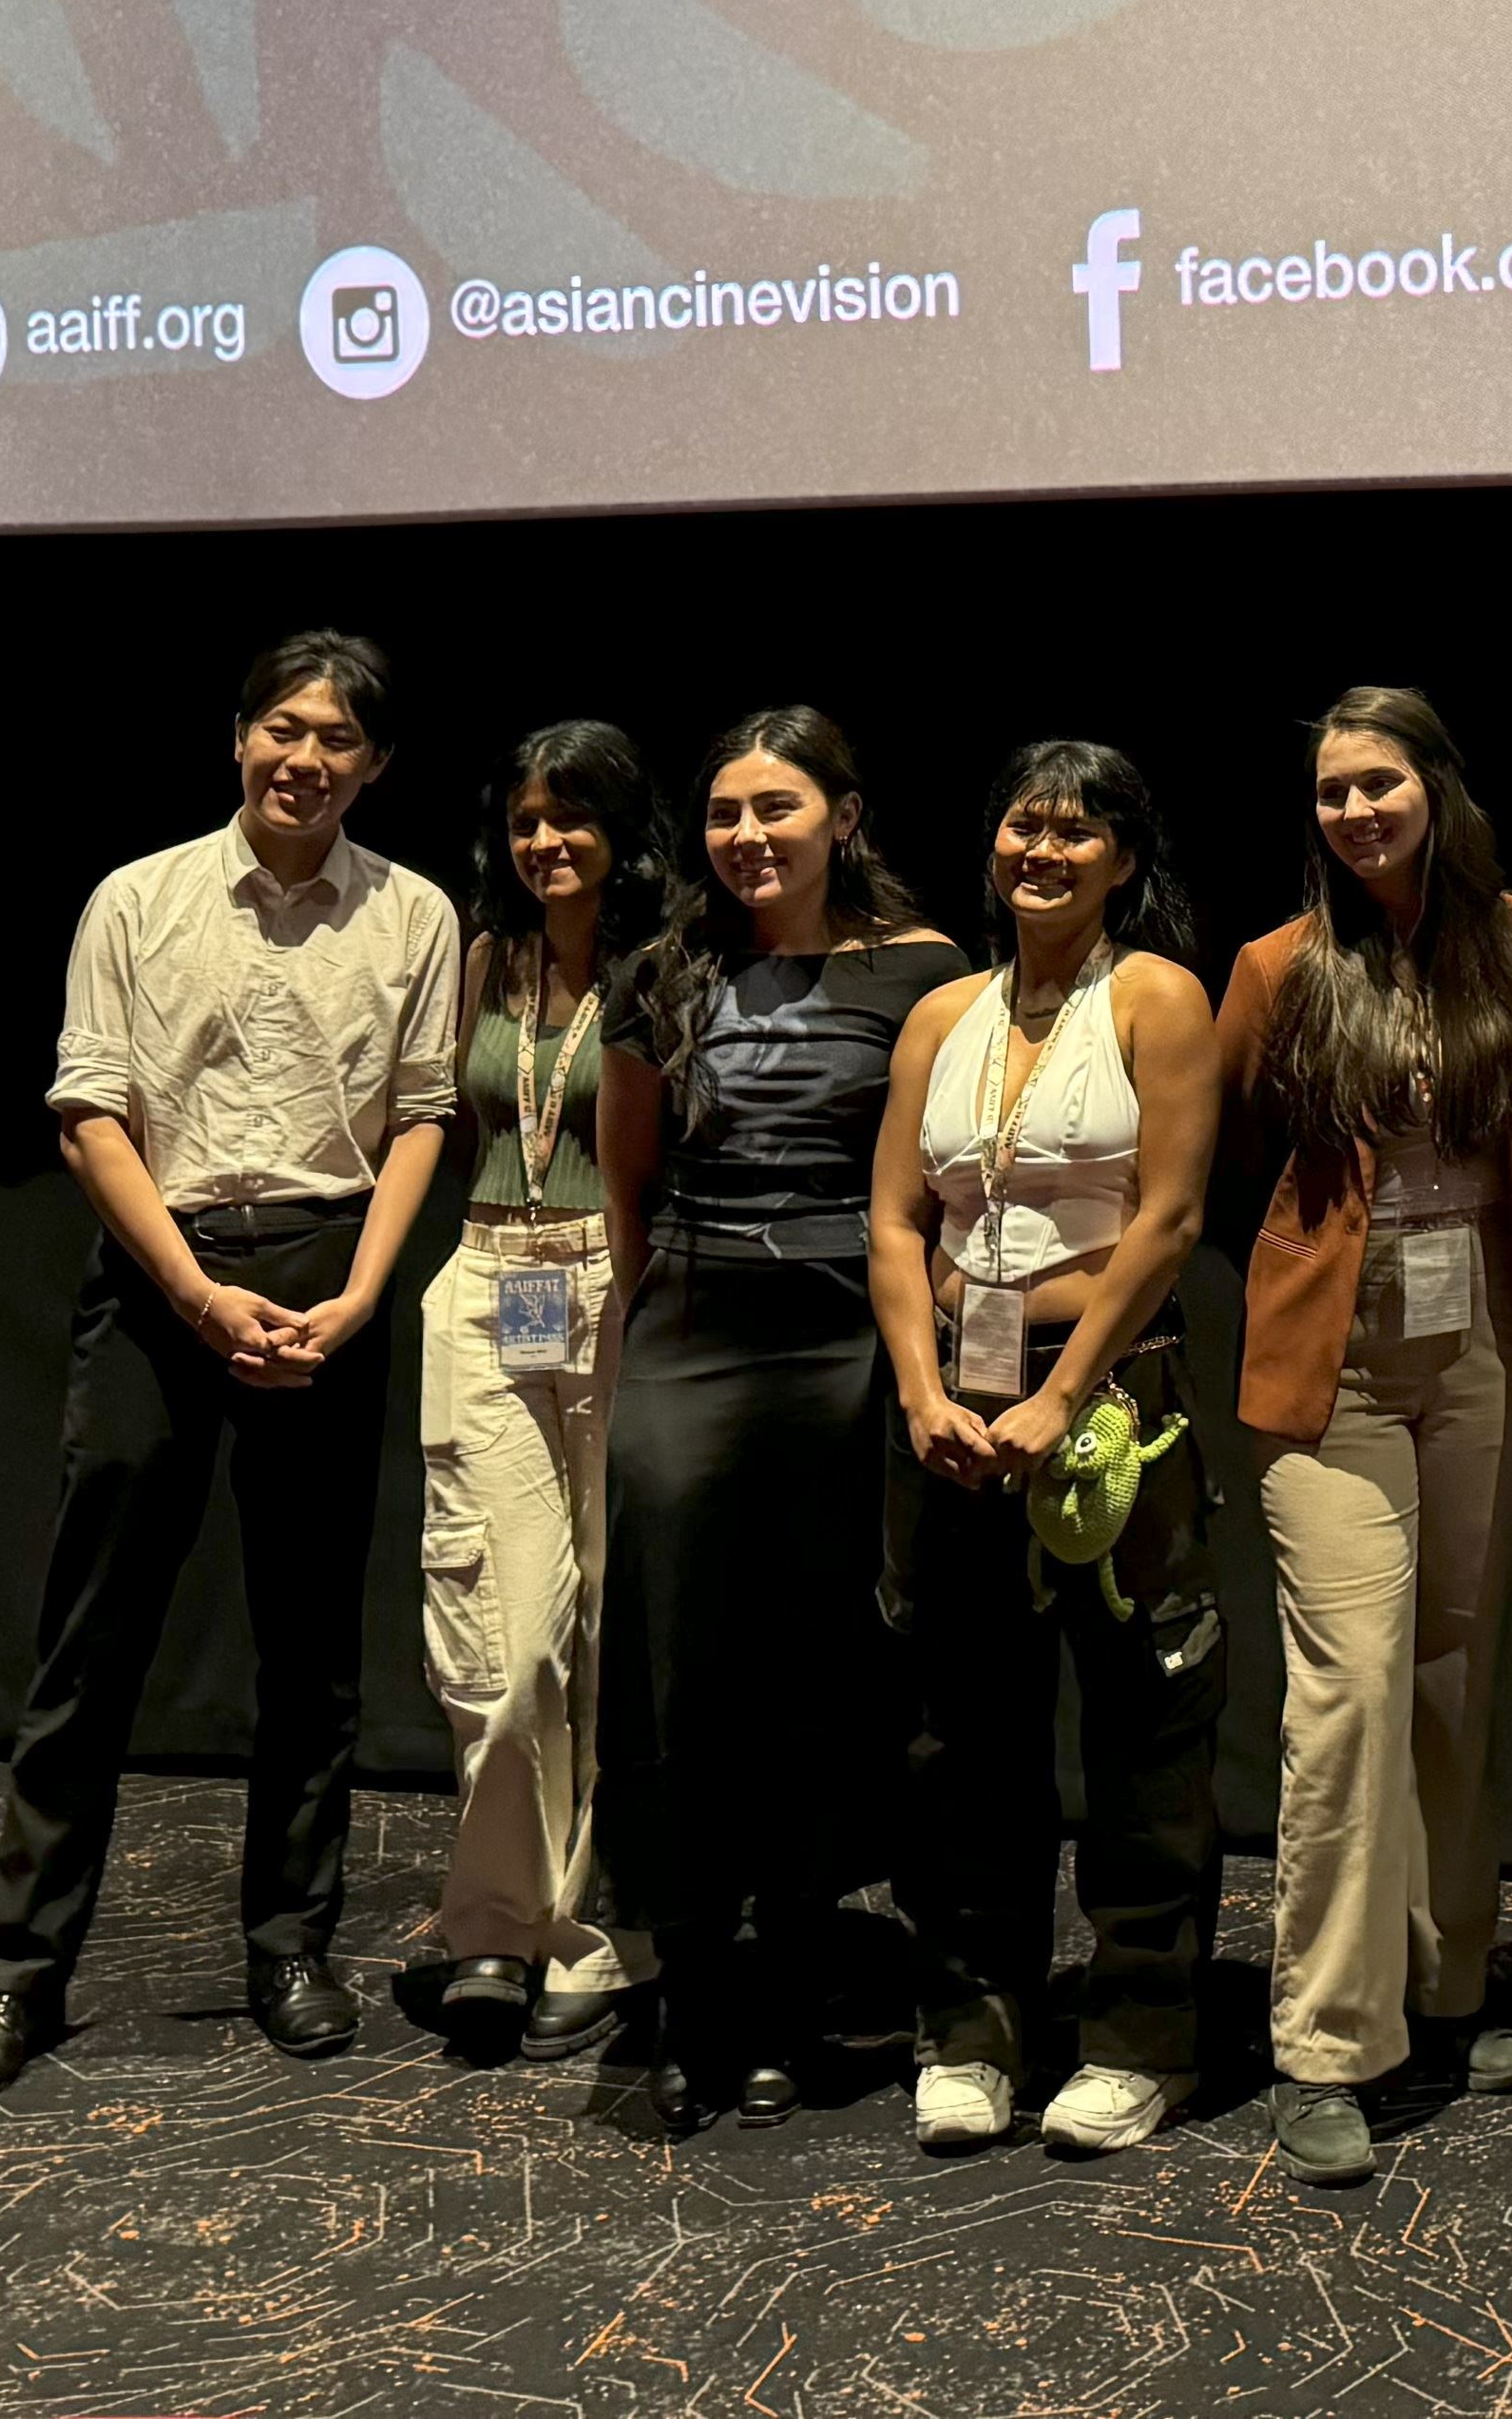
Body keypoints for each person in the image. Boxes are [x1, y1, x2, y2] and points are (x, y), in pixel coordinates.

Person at [0, 631, 462, 2115]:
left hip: (327, 1277)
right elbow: (91, 1116)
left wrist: (358, 1298)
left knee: (310, 1646)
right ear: (238, 740)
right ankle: (22, 1976)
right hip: (169, 1278)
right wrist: (196, 1293)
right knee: (90, 1645)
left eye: (339, 740)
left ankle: (290, 1947)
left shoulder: (415, 913)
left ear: (377, 766)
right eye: (284, 730)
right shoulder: (138, 898)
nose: (307, 760)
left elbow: (423, 1115)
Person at [1218, 685, 1512, 2184]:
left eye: (1380, 783)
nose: (1355, 811)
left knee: (1452, 1679)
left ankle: (1452, 1984)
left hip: (1485, 1344)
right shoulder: (1278, 967)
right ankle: (1326, 2039)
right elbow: (1224, 1141)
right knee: (1350, 1687)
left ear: (1436, 783)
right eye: (1331, 792)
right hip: (1337, 1364)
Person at [597, 709, 966, 2133]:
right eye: (726, 811)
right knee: (677, 1656)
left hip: (849, 1350)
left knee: (823, 1664)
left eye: (778, 807)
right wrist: (654, 1327)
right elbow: (628, 1179)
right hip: (692, 1332)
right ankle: (697, 1983)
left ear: (846, 818)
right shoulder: (661, 973)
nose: (748, 835)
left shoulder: (926, 975)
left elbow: (937, 1178)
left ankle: (799, 1976)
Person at [866, 740, 1224, 2159]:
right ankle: (973, 2025)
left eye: (1079, 834)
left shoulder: (1157, 999)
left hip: (1112, 1393)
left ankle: (1141, 2035)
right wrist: (919, 1393)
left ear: (1124, 861)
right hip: (952, 1401)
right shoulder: (940, 1010)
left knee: (1144, 1714)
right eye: (1026, 823)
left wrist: (1062, 1398)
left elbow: (1172, 1221)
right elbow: (898, 1218)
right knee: (962, 1728)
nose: (1045, 852)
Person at [417, 720, 665, 2066]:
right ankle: (498, 1927)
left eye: (572, 819)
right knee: (502, 1638)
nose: (545, 843)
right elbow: (449, 1126)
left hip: (616, 1294)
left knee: (615, 1623)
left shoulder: (664, 971)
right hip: (486, 1286)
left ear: (621, 832)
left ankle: (600, 1926)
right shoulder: (481, 965)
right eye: (524, 821)